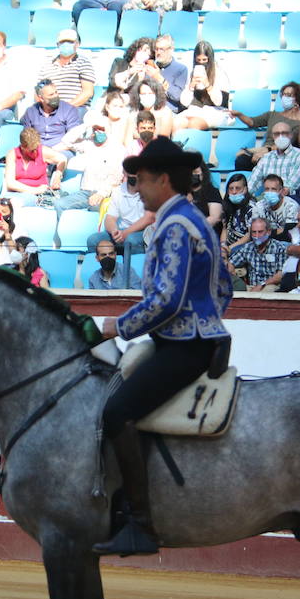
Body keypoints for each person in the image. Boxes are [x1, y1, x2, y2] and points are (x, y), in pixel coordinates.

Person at [94, 136, 231, 557]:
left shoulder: (174, 226)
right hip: (198, 338)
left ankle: (140, 524)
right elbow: (223, 286)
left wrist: (119, 326)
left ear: (163, 180)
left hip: (184, 345)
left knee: (116, 411)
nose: (137, 189)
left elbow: (166, 300)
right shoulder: (194, 220)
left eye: (142, 181)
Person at [232, 82, 300, 171]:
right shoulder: (272, 115)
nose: (284, 97)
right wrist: (239, 114)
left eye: (288, 95)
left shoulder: (298, 121)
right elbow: (252, 122)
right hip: (263, 151)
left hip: (280, 155)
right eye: (283, 94)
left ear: (297, 99)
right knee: (241, 160)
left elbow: (295, 145)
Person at [21, 80, 85, 151]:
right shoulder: (31, 112)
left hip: (61, 150)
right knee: (12, 155)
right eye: (51, 95)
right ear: (41, 98)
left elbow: (73, 137)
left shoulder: (69, 109)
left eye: (56, 92)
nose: (56, 96)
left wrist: (51, 151)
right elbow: (27, 137)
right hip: (37, 151)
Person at [37, 29, 95, 109]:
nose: (66, 44)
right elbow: (38, 92)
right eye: (62, 42)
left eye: (70, 42)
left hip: (75, 109)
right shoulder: (47, 64)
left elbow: (88, 92)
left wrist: (65, 108)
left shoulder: (84, 63)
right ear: (57, 44)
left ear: (77, 44)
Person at [227, 216, 288, 291]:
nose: (257, 236)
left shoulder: (279, 248)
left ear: (268, 232)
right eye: (254, 232)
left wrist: (262, 284)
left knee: (268, 290)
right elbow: (231, 263)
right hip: (251, 286)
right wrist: (232, 272)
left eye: (260, 232)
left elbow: (279, 275)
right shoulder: (248, 247)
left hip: (270, 285)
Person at [249, 172, 300, 236]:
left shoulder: (291, 206)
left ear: (281, 191)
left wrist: (266, 232)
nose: (270, 192)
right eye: (267, 189)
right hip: (263, 241)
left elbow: (289, 233)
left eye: (273, 189)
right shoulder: (258, 206)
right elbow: (254, 232)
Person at [218, 173, 253, 246]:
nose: (234, 192)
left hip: (245, 246)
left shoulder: (251, 208)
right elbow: (225, 229)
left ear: (245, 189)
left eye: (238, 188)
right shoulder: (227, 205)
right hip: (229, 244)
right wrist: (223, 246)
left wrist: (230, 248)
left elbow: (250, 235)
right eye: (231, 189)